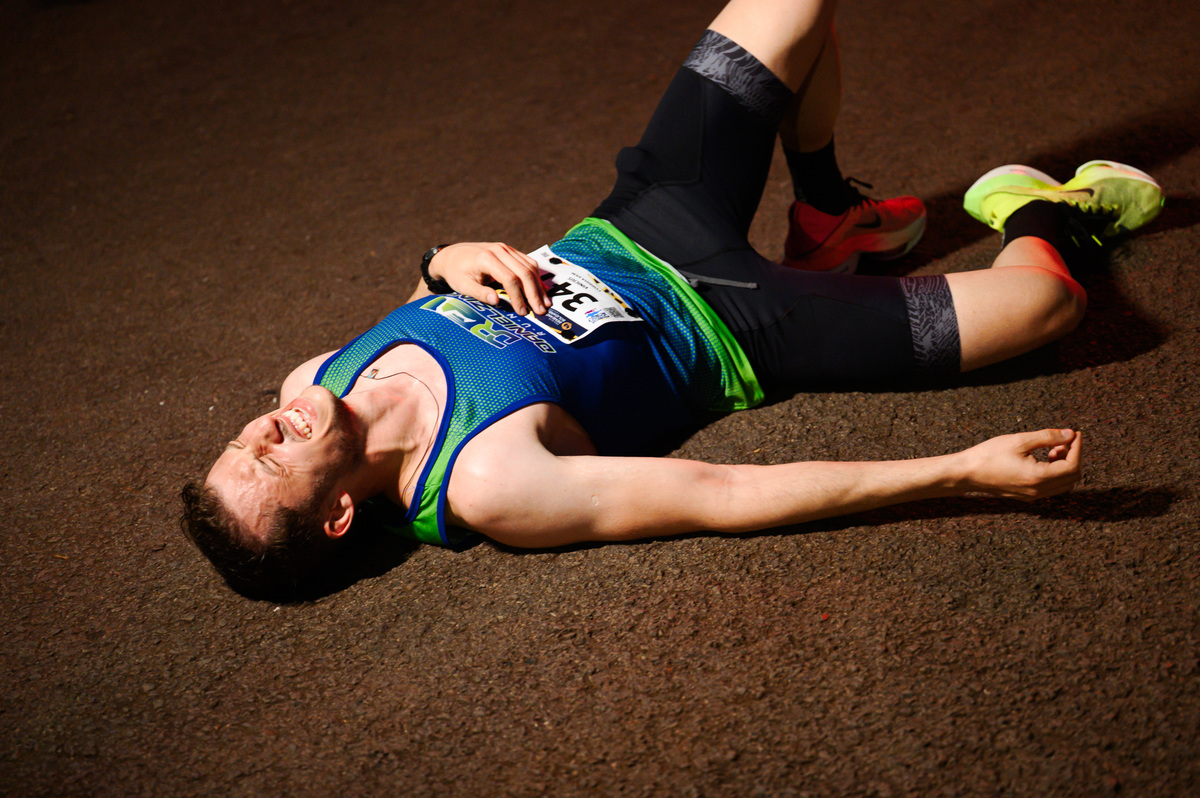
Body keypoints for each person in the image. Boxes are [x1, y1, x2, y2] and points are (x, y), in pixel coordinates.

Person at [181, 0, 1163, 598]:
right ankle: (1045, 211)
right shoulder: (484, 483)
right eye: (269, 461)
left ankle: (828, 213)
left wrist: (441, 263)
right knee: (1047, 307)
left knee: (793, 6)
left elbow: (424, 301)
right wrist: (960, 471)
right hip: (737, 322)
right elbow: (719, 496)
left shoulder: (314, 379)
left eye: (242, 439)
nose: (266, 428)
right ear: (338, 516)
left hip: (641, 216)